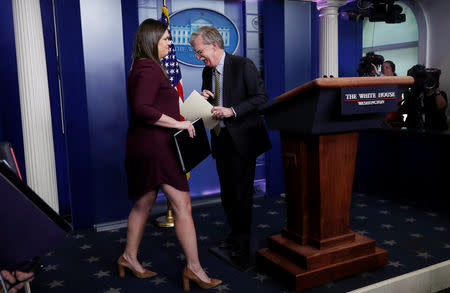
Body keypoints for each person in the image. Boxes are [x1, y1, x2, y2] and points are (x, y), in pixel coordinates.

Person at [118, 18, 221, 291]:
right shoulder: (149, 68)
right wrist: (178, 124)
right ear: (152, 41)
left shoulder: (144, 67)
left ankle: (128, 257)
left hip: (146, 146)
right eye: (165, 39)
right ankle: (194, 268)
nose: (170, 43)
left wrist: (197, 105)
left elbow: (161, 105)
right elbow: (142, 108)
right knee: (183, 206)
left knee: (143, 203)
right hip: (157, 149)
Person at [189, 26, 271, 261]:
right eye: (196, 54)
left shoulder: (243, 65)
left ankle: (243, 244)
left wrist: (232, 111)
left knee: (241, 194)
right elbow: (215, 102)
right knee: (227, 194)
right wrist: (207, 101)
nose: (199, 57)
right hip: (220, 139)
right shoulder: (208, 71)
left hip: (243, 140)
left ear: (214, 45)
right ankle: (235, 235)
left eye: (200, 52)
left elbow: (261, 98)